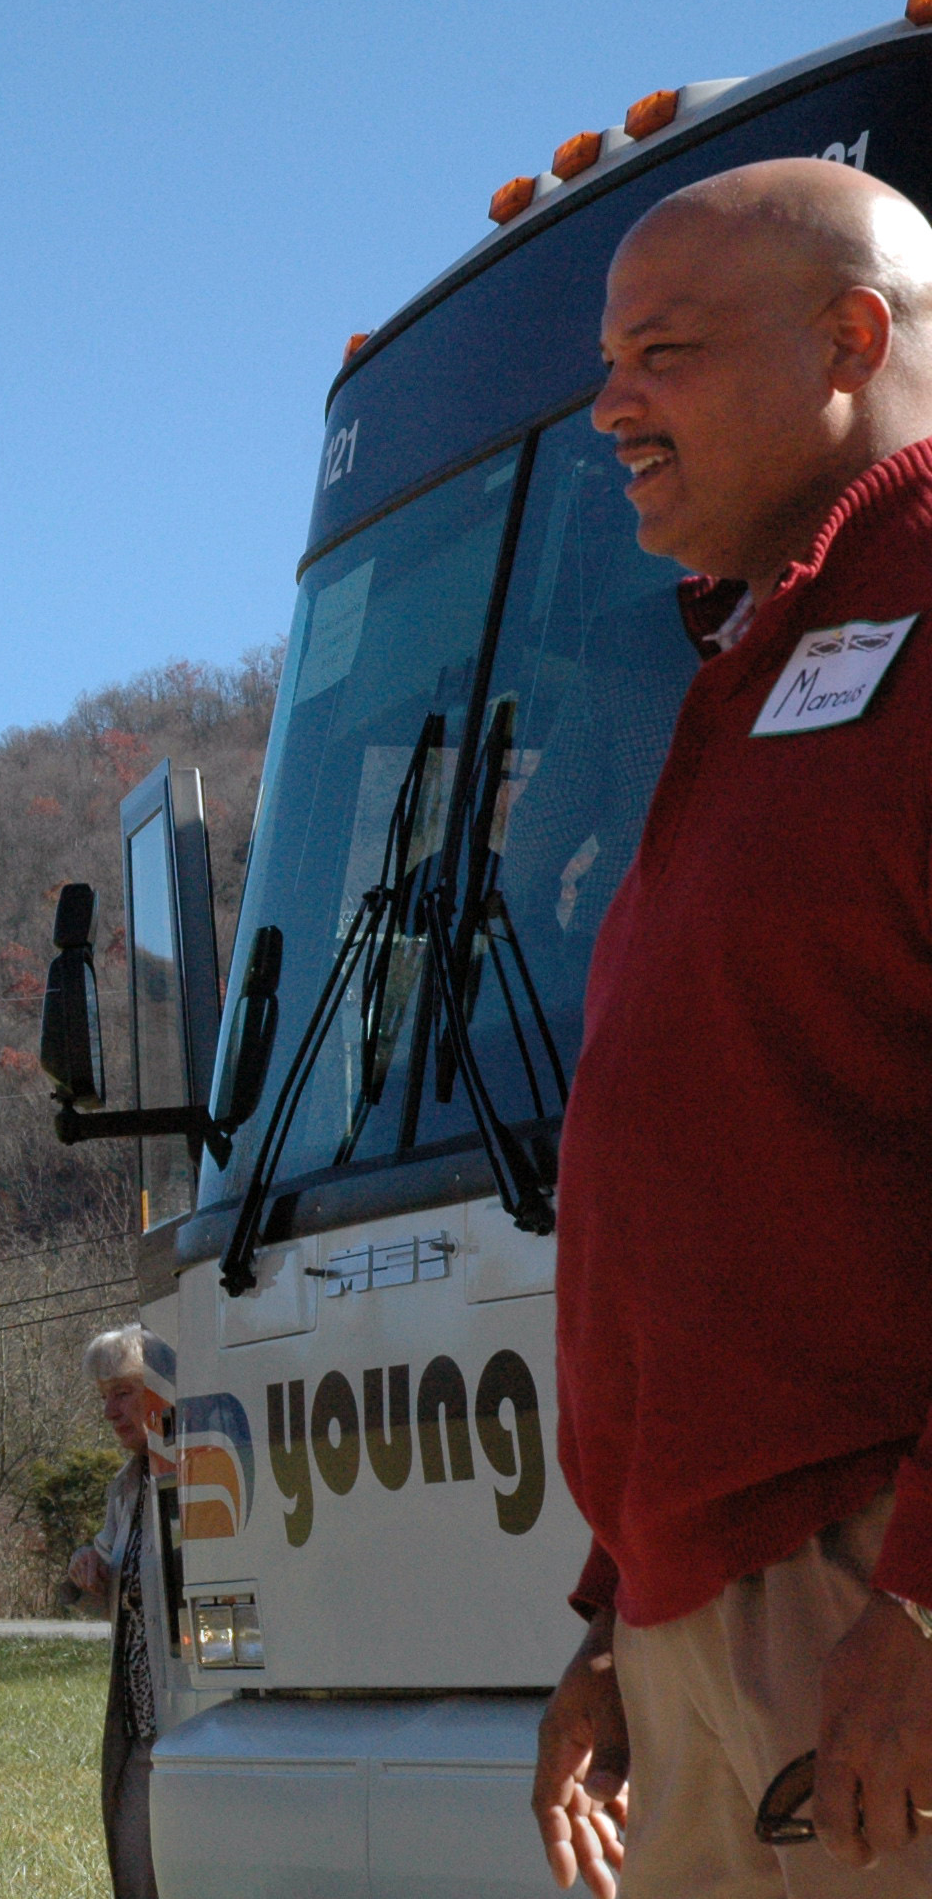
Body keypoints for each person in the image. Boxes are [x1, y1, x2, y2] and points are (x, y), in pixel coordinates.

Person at [530, 158, 932, 1898]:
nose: (606, 406)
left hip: (869, 1611)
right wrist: (614, 1622)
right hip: (712, 1626)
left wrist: (916, 1601)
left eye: (662, 352)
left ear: (852, 334)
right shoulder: (763, 652)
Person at [67, 1324, 166, 1899]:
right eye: (103, 1396)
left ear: (163, 1388)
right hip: (139, 1732)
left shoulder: (205, 1473)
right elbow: (103, 1584)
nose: (109, 1411)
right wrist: (86, 1567)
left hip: (192, 1726)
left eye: (122, 1392)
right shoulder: (124, 1488)